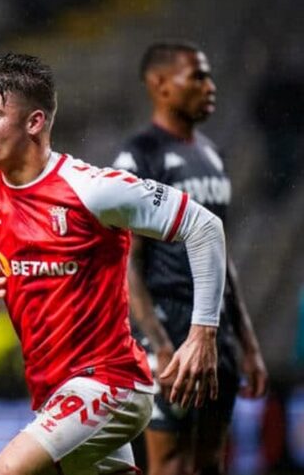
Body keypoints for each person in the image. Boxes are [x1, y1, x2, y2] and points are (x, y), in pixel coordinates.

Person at [0, 53, 227, 475]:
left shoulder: (92, 190)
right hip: (53, 393)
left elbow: (204, 226)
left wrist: (202, 334)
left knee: (5, 472)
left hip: (111, 382)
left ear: (34, 122)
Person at [112, 40, 268, 475]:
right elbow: (128, 261)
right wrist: (158, 344)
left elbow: (222, 256)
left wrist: (248, 344)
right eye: (197, 76)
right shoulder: (139, 155)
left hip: (215, 330)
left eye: (209, 76)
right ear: (160, 84)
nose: (209, 86)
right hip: (169, 325)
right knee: (170, 464)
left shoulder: (212, 155)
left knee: (211, 463)